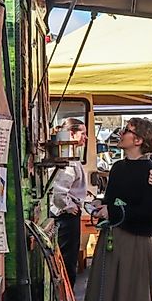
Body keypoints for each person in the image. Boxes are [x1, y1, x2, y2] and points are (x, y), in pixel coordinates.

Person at [81, 118, 152, 301]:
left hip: (136, 243)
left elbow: (149, 213)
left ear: (138, 140)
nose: (122, 133)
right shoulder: (117, 167)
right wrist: (101, 208)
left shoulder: (150, 170)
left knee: (136, 300)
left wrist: (113, 210)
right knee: (110, 298)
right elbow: (111, 200)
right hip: (113, 241)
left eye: (127, 131)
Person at [51, 118, 88, 289]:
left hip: (67, 214)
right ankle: (67, 296)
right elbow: (59, 189)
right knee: (67, 260)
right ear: (71, 133)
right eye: (83, 133)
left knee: (68, 258)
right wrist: (67, 206)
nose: (85, 138)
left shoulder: (72, 157)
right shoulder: (68, 158)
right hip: (66, 217)